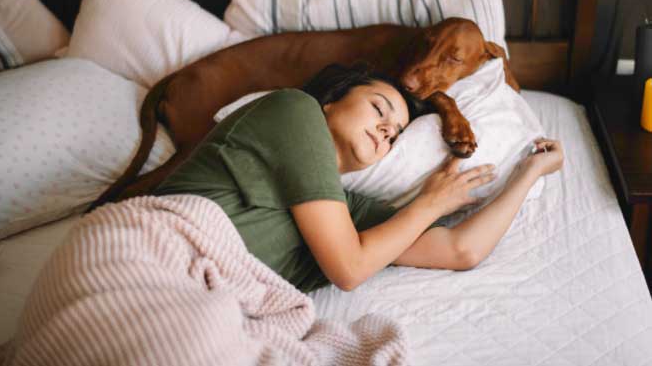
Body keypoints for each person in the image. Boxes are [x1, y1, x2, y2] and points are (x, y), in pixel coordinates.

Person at [153, 64, 564, 293]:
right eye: (379, 108)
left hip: (200, 302)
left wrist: (529, 173)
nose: (388, 129)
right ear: (331, 102)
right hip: (154, 250)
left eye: (396, 134)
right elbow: (349, 269)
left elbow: (462, 250)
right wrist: (431, 203)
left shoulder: (347, 218)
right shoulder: (294, 110)